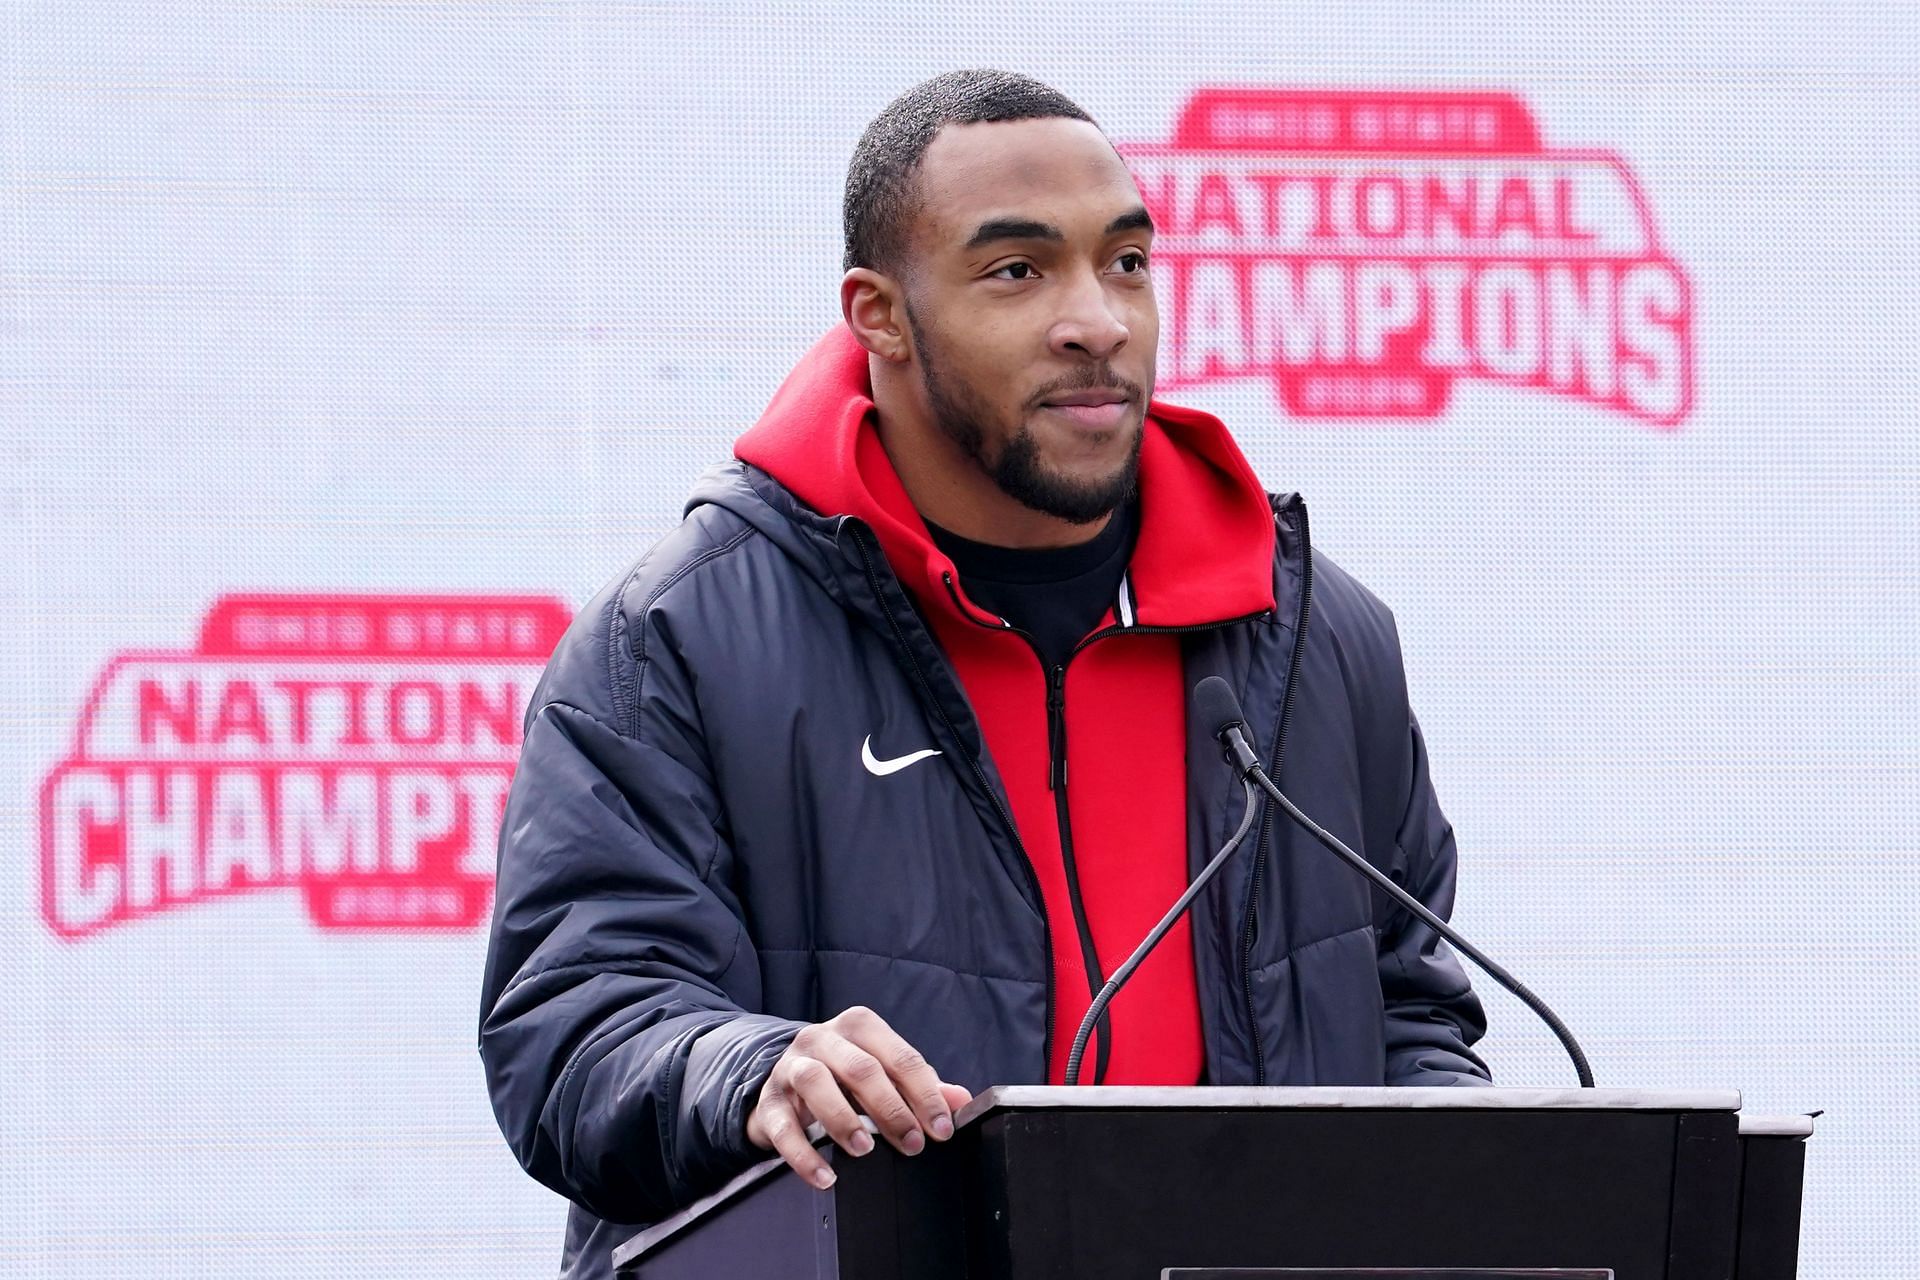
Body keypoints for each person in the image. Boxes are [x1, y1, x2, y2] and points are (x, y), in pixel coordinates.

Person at [479, 68, 1490, 1279]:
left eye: (1124, 261)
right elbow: (577, 1028)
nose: (1098, 322)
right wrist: (751, 1068)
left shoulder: (1320, 636)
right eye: (1019, 271)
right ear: (880, 314)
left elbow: (1408, 1012)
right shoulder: (674, 641)